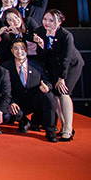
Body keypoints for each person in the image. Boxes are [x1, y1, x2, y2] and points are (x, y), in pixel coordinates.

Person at [35, 9, 84, 141]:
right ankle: (63, 125)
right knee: (55, 94)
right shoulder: (40, 32)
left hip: (71, 66)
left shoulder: (66, 35)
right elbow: (42, 55)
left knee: (63, 92)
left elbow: (66, 59)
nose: (47, 23)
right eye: (45, 19)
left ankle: (68, 129)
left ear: (60, 22)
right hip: (54, 66)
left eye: (51, 20)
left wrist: (62, 78)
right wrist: (41, 46)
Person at [2, 39, 57, 142]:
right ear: (12, 51)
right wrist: (11, 102)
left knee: (48, 96)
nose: (19, 51)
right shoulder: (6, 67)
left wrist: (47, 87)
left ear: (26, 50)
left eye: (22, 48)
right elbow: (3, 88)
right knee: (12, 113)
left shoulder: (37, 65)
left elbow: (47, 81)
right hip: (18, 101)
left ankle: (50, 131)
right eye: (16, 48)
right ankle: (24, 121)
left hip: (34, 99)